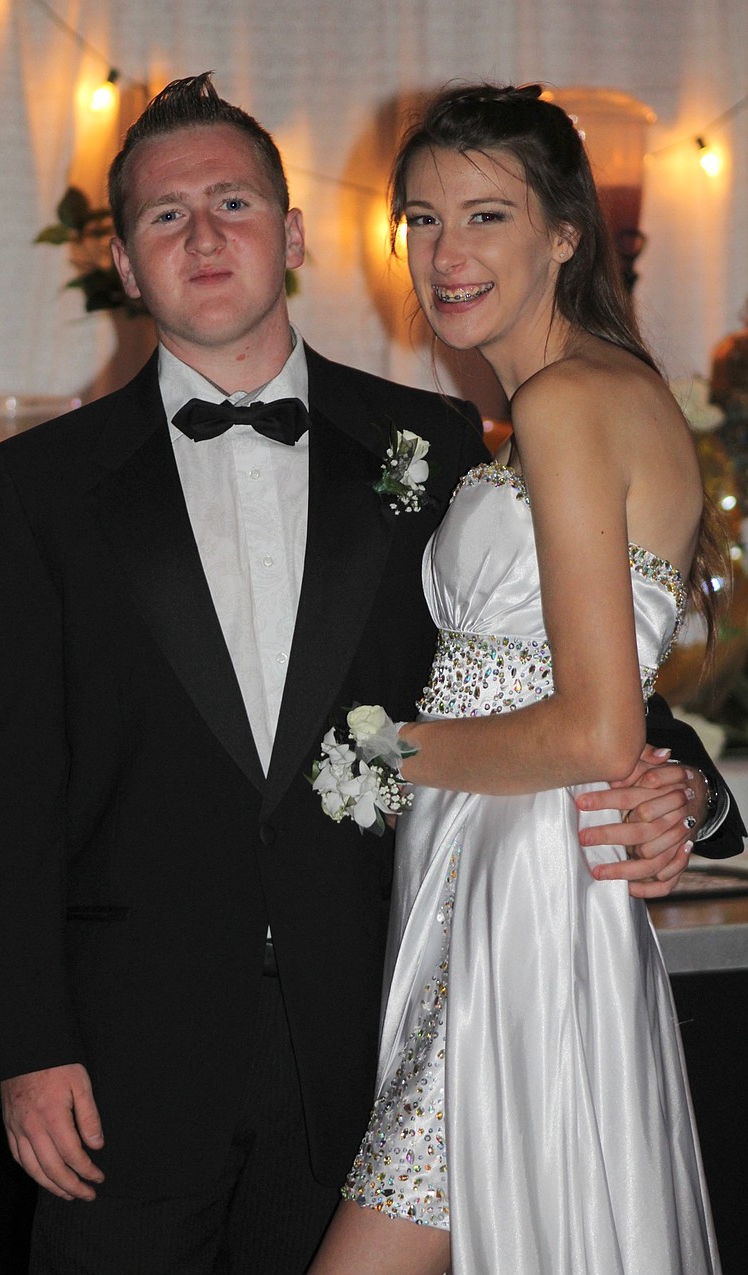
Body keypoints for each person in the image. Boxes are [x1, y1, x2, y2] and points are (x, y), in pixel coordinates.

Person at [0, 76, 741, 1275]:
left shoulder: (431, 446)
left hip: (373, 1028)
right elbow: (12, 790)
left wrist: (684, 785)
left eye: (233, 201)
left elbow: (530, 660)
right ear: (124, 262)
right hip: (125, 1074)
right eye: (165, 216)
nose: (204, 235)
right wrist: (25, 1045)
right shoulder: (39, 485)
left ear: (297, 233)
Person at [308, 83, 731, 1275]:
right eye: (423, 220)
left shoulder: (564, 402)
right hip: (483, 871)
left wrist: (376, 749)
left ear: (562, 231)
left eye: (485, 216)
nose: (445, 255)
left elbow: (598, 730)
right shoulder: (558, 406)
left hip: (525, 891)